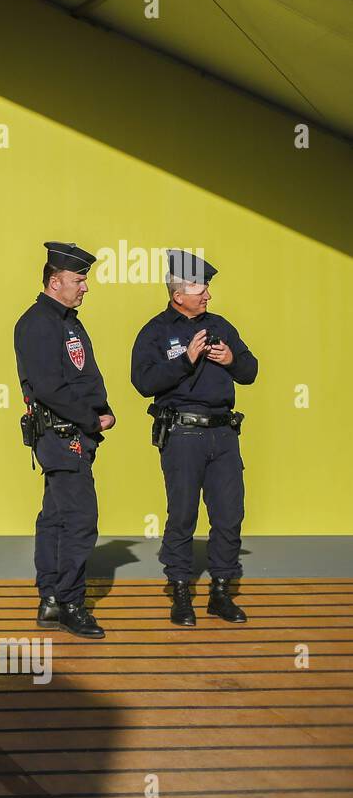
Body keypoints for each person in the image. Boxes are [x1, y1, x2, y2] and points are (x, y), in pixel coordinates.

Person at [131, 249, 257, 626]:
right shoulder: (155, 331)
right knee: (182, 514)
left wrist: (232, 360)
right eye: (201, 287)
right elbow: (143, 382)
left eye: (207, 287)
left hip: (223, 433)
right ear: (178, 293)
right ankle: (181, 592)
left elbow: (250, 371)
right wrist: (185, 359)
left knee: (229, 514)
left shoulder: (221, 325)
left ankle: (220, 591)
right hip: (182, 434)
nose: (207, 294)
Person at [13, 242, 115, 639]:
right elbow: (50, 387)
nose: (85, 286)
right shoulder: (38, 322)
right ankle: (72, 604)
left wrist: (102, 407)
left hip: (72, 433)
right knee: (79, 520)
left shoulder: (67, 320)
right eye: (79, 279)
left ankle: (52, 600)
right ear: (55, 281)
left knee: (56, 518)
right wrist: (91, 418)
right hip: (61, 433)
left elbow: (81, 373)